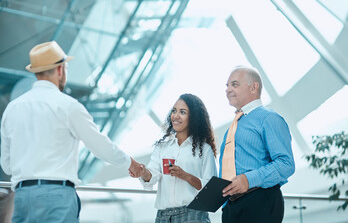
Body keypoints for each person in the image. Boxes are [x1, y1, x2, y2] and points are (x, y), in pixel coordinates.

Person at [0, 41, 143, 223]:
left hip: (22, 196)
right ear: (60, 70)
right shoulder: (68, 106)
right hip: (57, 197)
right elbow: (100, 146)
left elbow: (7, 166)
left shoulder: (12, 109)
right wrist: (130, 164)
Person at [220, 65, 295, 223]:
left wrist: (249, 179)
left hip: (259, 201)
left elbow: (286, 163)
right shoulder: (232, 129)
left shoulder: (269, 118)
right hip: (231, 207)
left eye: (234, 84)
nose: (227, 90)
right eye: (227, 86)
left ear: (253, 87)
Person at [139, 93, 217, 223]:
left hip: (193, 216)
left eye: (183, 112)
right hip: (163, 217)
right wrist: (142, 171)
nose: (176, 116)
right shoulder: (162, 147)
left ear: (193, 118)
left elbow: (210, 188)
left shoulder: (204, 149)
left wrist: (186, 176)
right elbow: (152, 176)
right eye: (174, 111)